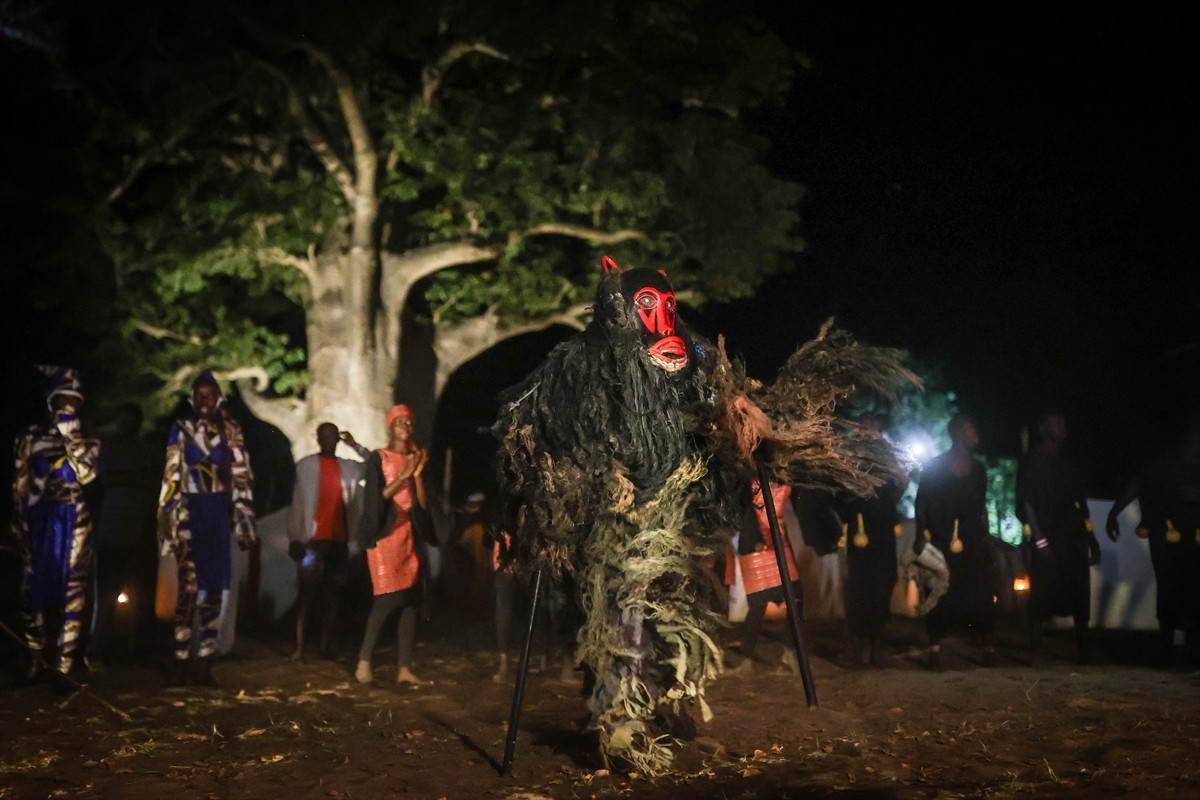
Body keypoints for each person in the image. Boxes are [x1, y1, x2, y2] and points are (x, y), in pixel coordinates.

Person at [158, 371, 257, 685]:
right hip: (188, 511)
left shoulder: (231, 430)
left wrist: (244, 521)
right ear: (190, 399)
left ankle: (205, 660)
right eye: (198, 396)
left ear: (219, 399)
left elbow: (242, 475)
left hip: (217, 514)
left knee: (214, 588)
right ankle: (181, 657)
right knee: (187, 587)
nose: (204, 401)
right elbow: (171, 475)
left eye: (209, 396)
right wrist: (166, 519)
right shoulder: (181, 429)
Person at [11, 366, 99, 689]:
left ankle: (63, 667)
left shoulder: (87, 438)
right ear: (50, 401)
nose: (67, 406)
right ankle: (35, 658)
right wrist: (19, 523)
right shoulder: (29, 435)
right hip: (38, 522)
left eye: (74, 401)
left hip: (74, 522)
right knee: (29, 593)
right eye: (62, 399)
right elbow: (19, 484)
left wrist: (70, 432)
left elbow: (87, 475)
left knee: (73, 594)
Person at [1106, 409, 1200, 666]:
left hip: (1195, 541)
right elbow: (1138, 483)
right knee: (1169, 589)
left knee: (1193, 590)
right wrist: (1114, 512)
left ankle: (1191, 647)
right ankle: (1168, 647)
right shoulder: (1165, 462)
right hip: (1166, 537)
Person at [355, 404, 433, 685]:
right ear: (390, 426)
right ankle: (364, 662)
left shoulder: (416, 457)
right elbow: (378, 498)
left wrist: (418, 474)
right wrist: (404, 474)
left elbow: (422, 505)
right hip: (386, 533)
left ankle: (404, 668)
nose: (405, 425)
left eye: (409, 421)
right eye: (400, 421)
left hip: (409, 534)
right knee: (386, 598)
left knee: (410, 602)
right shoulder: (379, 458)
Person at [1016, 408, 1101, 663]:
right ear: (1044, 428)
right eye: (1057, 423)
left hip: (1072, 535)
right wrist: (1040, 540)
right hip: (1047, 533)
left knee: (1078, 591)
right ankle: (1036, 650)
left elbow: (1080, 503)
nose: (1063, 428)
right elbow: (1027, 502)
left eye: (1064, 423)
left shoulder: (1069, 462)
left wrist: (1091, 539)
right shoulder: (1033, 460)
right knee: (1042, 591)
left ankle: (1084, 651)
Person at [913, 413, 996, 669]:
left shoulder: (978, 469)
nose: (976, 434)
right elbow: (922, 501)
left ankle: (986, 646)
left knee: (979, 591)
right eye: (971, 428)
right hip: (941, 539)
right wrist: (919, 534)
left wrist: (987, 534)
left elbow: (981, 506)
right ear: (958, 433)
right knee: (939, 592)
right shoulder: (936, 467)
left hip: (971, 539)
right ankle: (935, 649)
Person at [286, 422, 370, 660]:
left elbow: (376, 467)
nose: (329, 440)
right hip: (312, 539)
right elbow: (297, 503)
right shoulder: (306, 466)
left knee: (332, 594)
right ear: (318, 438)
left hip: (339, 540)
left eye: (333, 436)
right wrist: (294, 537)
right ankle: (299, 647)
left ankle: (326, 646)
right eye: (324, 435)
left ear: (338, 440)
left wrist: (355, 446)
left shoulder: (350, 468)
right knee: (306, 594)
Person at [87, 403, 159, 671]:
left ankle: (131, 650)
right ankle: (98, 650)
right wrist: (133, 477)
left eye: (132, 420)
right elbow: (107, 479)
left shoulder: (143, 449)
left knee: (136, 594)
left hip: (137, 529)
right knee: (107, 593)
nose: (127, 424)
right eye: (123, 419)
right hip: (112, 528)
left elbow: (150, 480)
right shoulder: (109, 447)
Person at [837, 415, 907, 666]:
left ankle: (877, 644)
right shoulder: (851, 460)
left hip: (883, 532)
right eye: (870, 431)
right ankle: (857, 645)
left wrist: (902, 480)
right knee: (860, 587)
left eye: (878, 431)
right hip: (861, 532)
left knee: (883, 586)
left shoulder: (887, 460)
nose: (875, 435)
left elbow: (895, 492)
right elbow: (842, 498)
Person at [726, 479, 804, 671]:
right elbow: (745, 509)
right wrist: (755, 540)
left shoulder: (785, 478)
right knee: (758, 606)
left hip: (778, 543)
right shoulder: (748, 481)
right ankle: (747, 658)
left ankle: (789, 653)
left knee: (795, 598)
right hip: (756, 547)